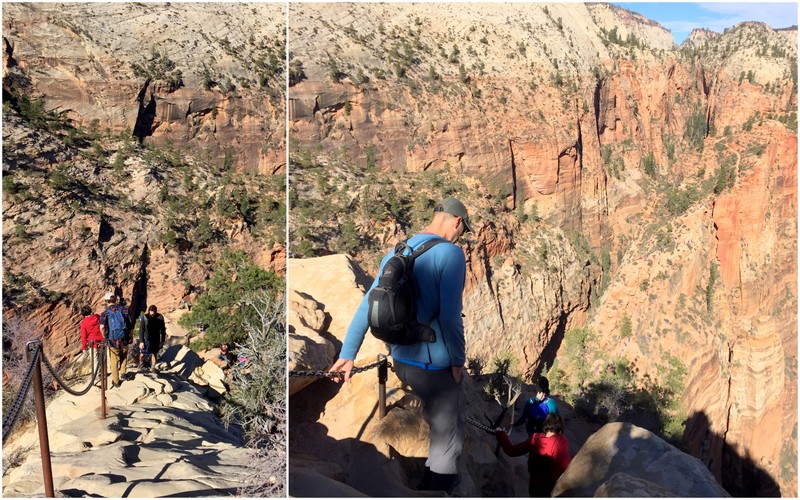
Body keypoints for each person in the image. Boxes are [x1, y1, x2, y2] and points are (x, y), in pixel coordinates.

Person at [330, 197, 472, 493]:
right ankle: (439, 489)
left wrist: (348, 354)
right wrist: (458, 361)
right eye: (463, 229)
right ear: (456, 221)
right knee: (447, 436)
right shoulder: (452, 254)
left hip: (402, 360)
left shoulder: (400, 250)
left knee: (434, 422)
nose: (461, 235)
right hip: (434, 365)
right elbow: (449, 317)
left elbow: (367, 305)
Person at [496, 413, 571, 496]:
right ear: (560, 429)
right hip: (551, 489)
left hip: (534, 486)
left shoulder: (535, 438)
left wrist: (501, 435)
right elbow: (565, 466)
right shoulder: (559, 442)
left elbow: (512, 451)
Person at [99, 292, 133, 388]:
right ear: (115, 300)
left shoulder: (105, 313)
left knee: (114, 361)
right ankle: (123, 373)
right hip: (125, 337)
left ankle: (116, 381)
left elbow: (101, 327)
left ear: (106, 301)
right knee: (124, 355)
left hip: (112, 340)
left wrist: (104, 337)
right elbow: (130, 325)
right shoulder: (125, 310)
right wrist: (131, 336)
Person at [138, 305, 166, 373]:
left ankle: (153, 367)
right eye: (150, 314)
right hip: (146, 338)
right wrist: (141, 341)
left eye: (153, 314)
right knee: (142, 353)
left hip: (156, 338)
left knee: (154, 353)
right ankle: (141, 363)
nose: (151, 315)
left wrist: (162, 341)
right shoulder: (144, 317)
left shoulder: (160, 317)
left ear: (155, 312)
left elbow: (162, 330)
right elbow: (141, 330)